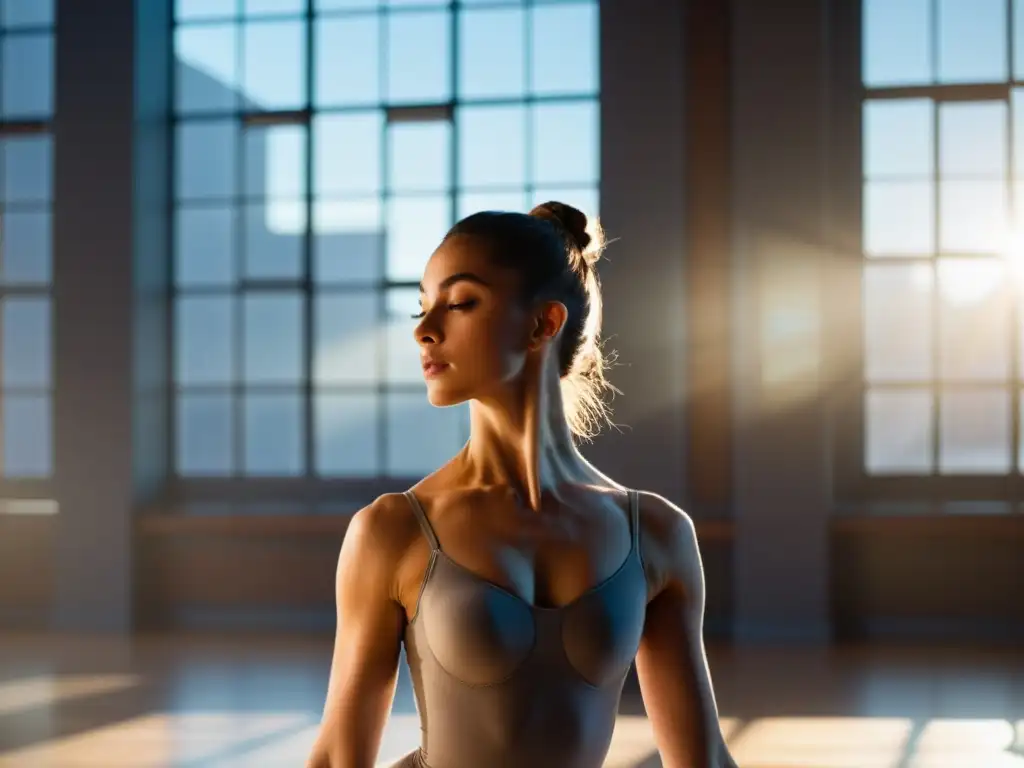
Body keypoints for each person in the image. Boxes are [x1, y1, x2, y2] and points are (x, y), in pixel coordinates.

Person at [306, 202, 737, 768]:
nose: (424, 330)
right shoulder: (391, 531)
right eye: (422, 305)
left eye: (460, 302)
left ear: (544, 323)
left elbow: (702, 761)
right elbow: (340, 755)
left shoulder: (656, 533)